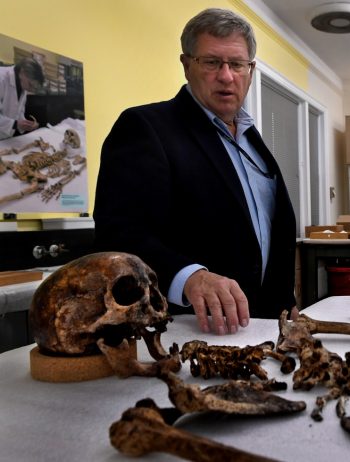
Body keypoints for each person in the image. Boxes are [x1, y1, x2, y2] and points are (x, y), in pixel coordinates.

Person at [94, 8, 298, 335]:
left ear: (251, 69)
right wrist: (189, 276)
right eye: (212, 62)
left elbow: (270, 232)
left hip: (261, 325)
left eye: (237, 64)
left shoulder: (252, 141)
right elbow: (117, 234)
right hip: (186, 330)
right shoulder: (145, 128)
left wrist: (285, 304)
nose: (227, 76)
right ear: (187, 65)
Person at [0, 57, 44, 140]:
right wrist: (15, 124)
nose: (31, 90)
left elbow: (19, 112)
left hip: (5, 138)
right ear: (22, 72)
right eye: (31, 85)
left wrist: (25, 124)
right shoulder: (1, 78)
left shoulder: (22, 84)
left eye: (34, 88)